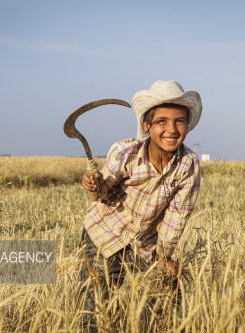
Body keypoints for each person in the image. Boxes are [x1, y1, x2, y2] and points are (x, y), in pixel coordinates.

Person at [78, 80, 202, 331]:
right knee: (93, 307)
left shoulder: (188, 165)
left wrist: (164, 257)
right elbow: (104, 193)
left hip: (146, 242)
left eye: (179, 121)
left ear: (187, 125)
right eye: (162, 121)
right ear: (147, 125)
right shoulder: (126, 152)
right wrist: (95, 185)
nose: (172, 129)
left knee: (164, 301)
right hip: (105, 233)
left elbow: (177, 217)